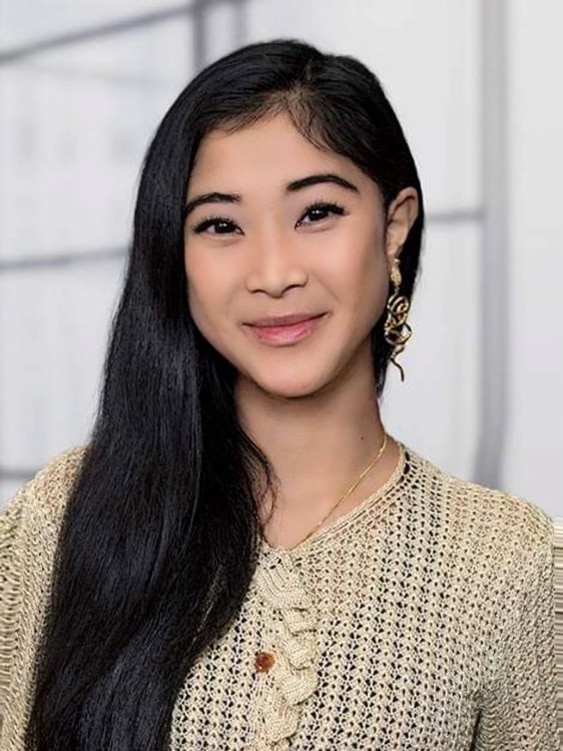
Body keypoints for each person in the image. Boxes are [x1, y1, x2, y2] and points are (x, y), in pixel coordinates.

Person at [0, 39, 560, 751]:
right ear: (177, 256)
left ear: (394, 227)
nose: (272, 272)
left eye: (316, 213)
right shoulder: (64, 514)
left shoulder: (508, 563)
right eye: (220, 225)